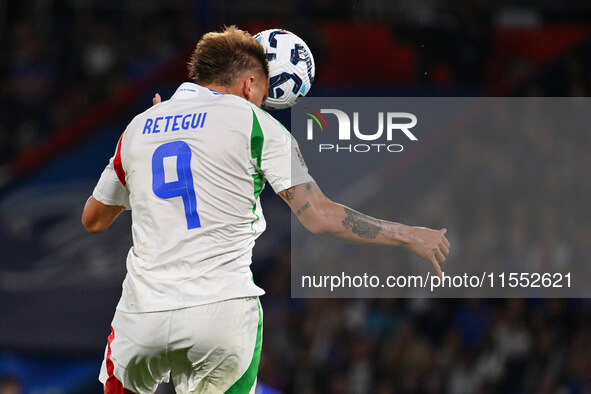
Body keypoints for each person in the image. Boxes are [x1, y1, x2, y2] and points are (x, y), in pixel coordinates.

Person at [82, 26, 450, 394]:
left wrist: (142, 160)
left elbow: (93, 220)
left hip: (142, 315)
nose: (262, 102)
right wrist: (407, 234)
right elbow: (319, 216)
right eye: (262, 93)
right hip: (220, 314)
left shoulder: (138, 128)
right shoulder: (257, 124)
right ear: (249, 83)